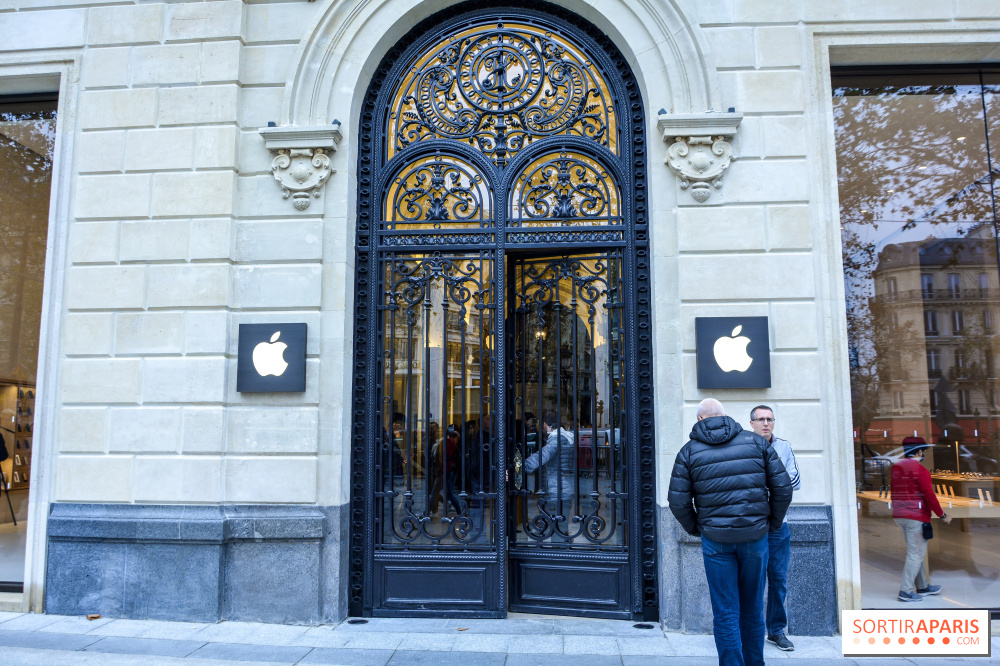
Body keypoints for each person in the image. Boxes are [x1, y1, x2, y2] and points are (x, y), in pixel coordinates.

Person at [669, 399, 792, 666]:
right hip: (754, 538)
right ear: (725, 416)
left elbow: (678, 502)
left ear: (700, 420)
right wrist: (770, 523)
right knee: (752, 608)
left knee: (725, 612)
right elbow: (783, 488)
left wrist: (697, 528)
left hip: (716, 541)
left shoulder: (689, 452)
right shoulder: (757, 443)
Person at [748, 405, 800, 652]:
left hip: (779, 525)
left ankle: (776, 630)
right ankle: (753, 628)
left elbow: (795, 481)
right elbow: (746, 484)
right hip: (754, 525)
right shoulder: (745, 447)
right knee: (752, 581)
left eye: (769, 419)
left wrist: (766, 486)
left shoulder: (785, 447)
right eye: (761, 419)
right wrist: (775, 484)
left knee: (778, 579)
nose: (766, 423)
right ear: (752, 423)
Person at [890, 437, 952, 601]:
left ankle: (923, 586)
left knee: (916, 552)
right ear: (918, 451)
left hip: (900, 515)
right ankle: (906, 590)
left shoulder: (897, 467)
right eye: (923, 451)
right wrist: (942, 515)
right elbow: (929, 495)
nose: (923, 454)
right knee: (915, 554)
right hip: (915, 517)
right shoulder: (920, 470)